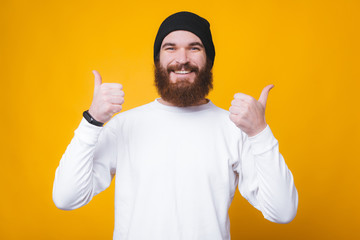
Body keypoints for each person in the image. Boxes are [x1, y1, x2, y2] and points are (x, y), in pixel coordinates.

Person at [53, 11, 298, 240]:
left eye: (194, 48)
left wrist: (259, 133)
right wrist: (92, 120)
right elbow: (66, 197)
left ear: (208, 60)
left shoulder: (235, 128)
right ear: (158, 60)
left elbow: (283, 211)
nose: (182, 59)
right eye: (171, 48)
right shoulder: (125, 126)